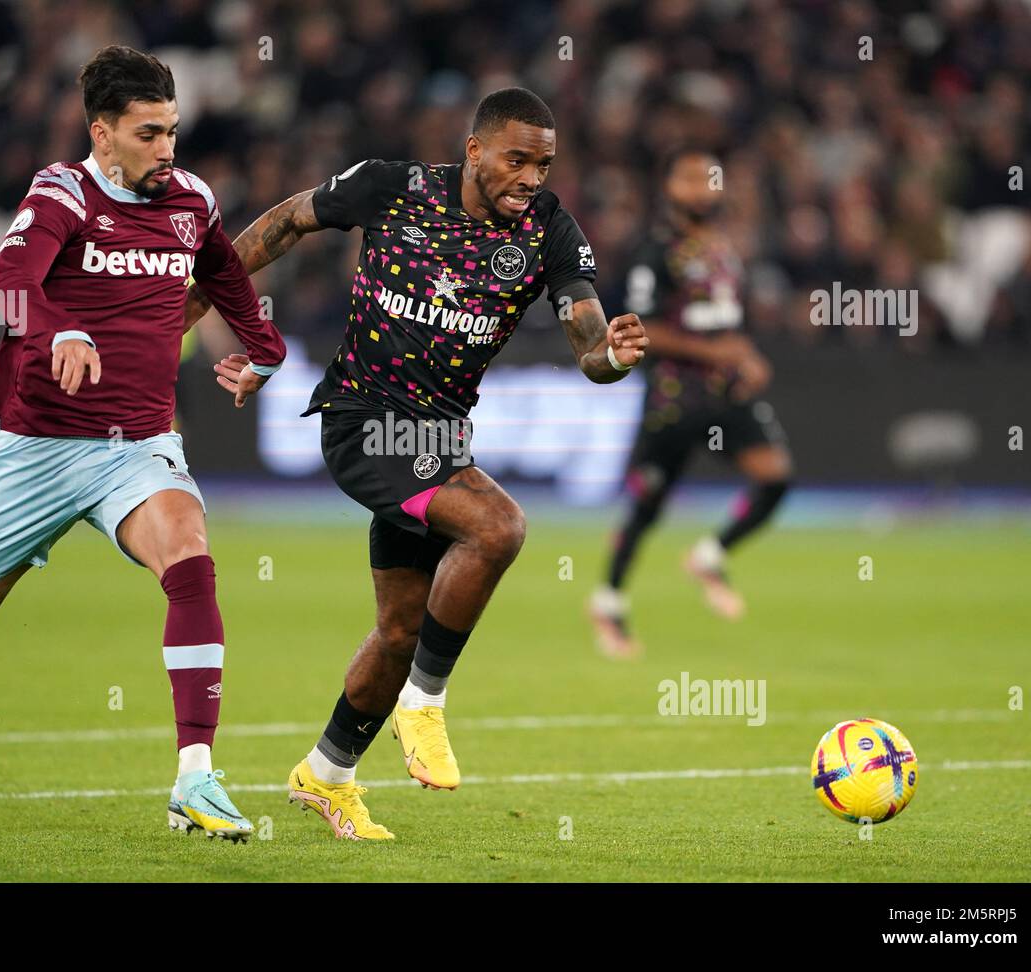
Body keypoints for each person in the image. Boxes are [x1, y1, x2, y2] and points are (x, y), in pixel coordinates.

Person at [191, 87, 648, 839]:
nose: (531, 177)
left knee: (400, 631)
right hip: (362, 421)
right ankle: (425, 704)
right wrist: (207, 302)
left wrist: (612, 357)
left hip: (439, 442)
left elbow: (588, 340)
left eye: (543, 163)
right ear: (473, 151)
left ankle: (327, 774)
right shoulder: (392, 186)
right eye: (517, 159)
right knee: (498, 527)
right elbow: (283, 223)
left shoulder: (547, 229)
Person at [0, 46, 287, 843]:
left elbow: (229, 281)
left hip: (136, 445)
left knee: (191, 557)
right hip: (35, 447)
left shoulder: (191, 201)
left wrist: (265, 350)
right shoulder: (60, 193)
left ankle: (195, 777)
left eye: (172, 131)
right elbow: (9, 284)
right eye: (148, 134)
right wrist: (60, 325)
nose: (167, 149)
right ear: (102, 135)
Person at [589, 149, 793, 659]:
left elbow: (720, 323)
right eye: (692, 179)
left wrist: (744, 355)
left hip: (725, 391)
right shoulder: (654, 251)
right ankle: (609, 600)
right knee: (648, 504)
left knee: (775, 476)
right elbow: (645, 328)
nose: (704, 188)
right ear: (671, 187)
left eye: (711, 179)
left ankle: (710, 553)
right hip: (675, 397)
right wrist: (717, 352)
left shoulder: (723, 248)